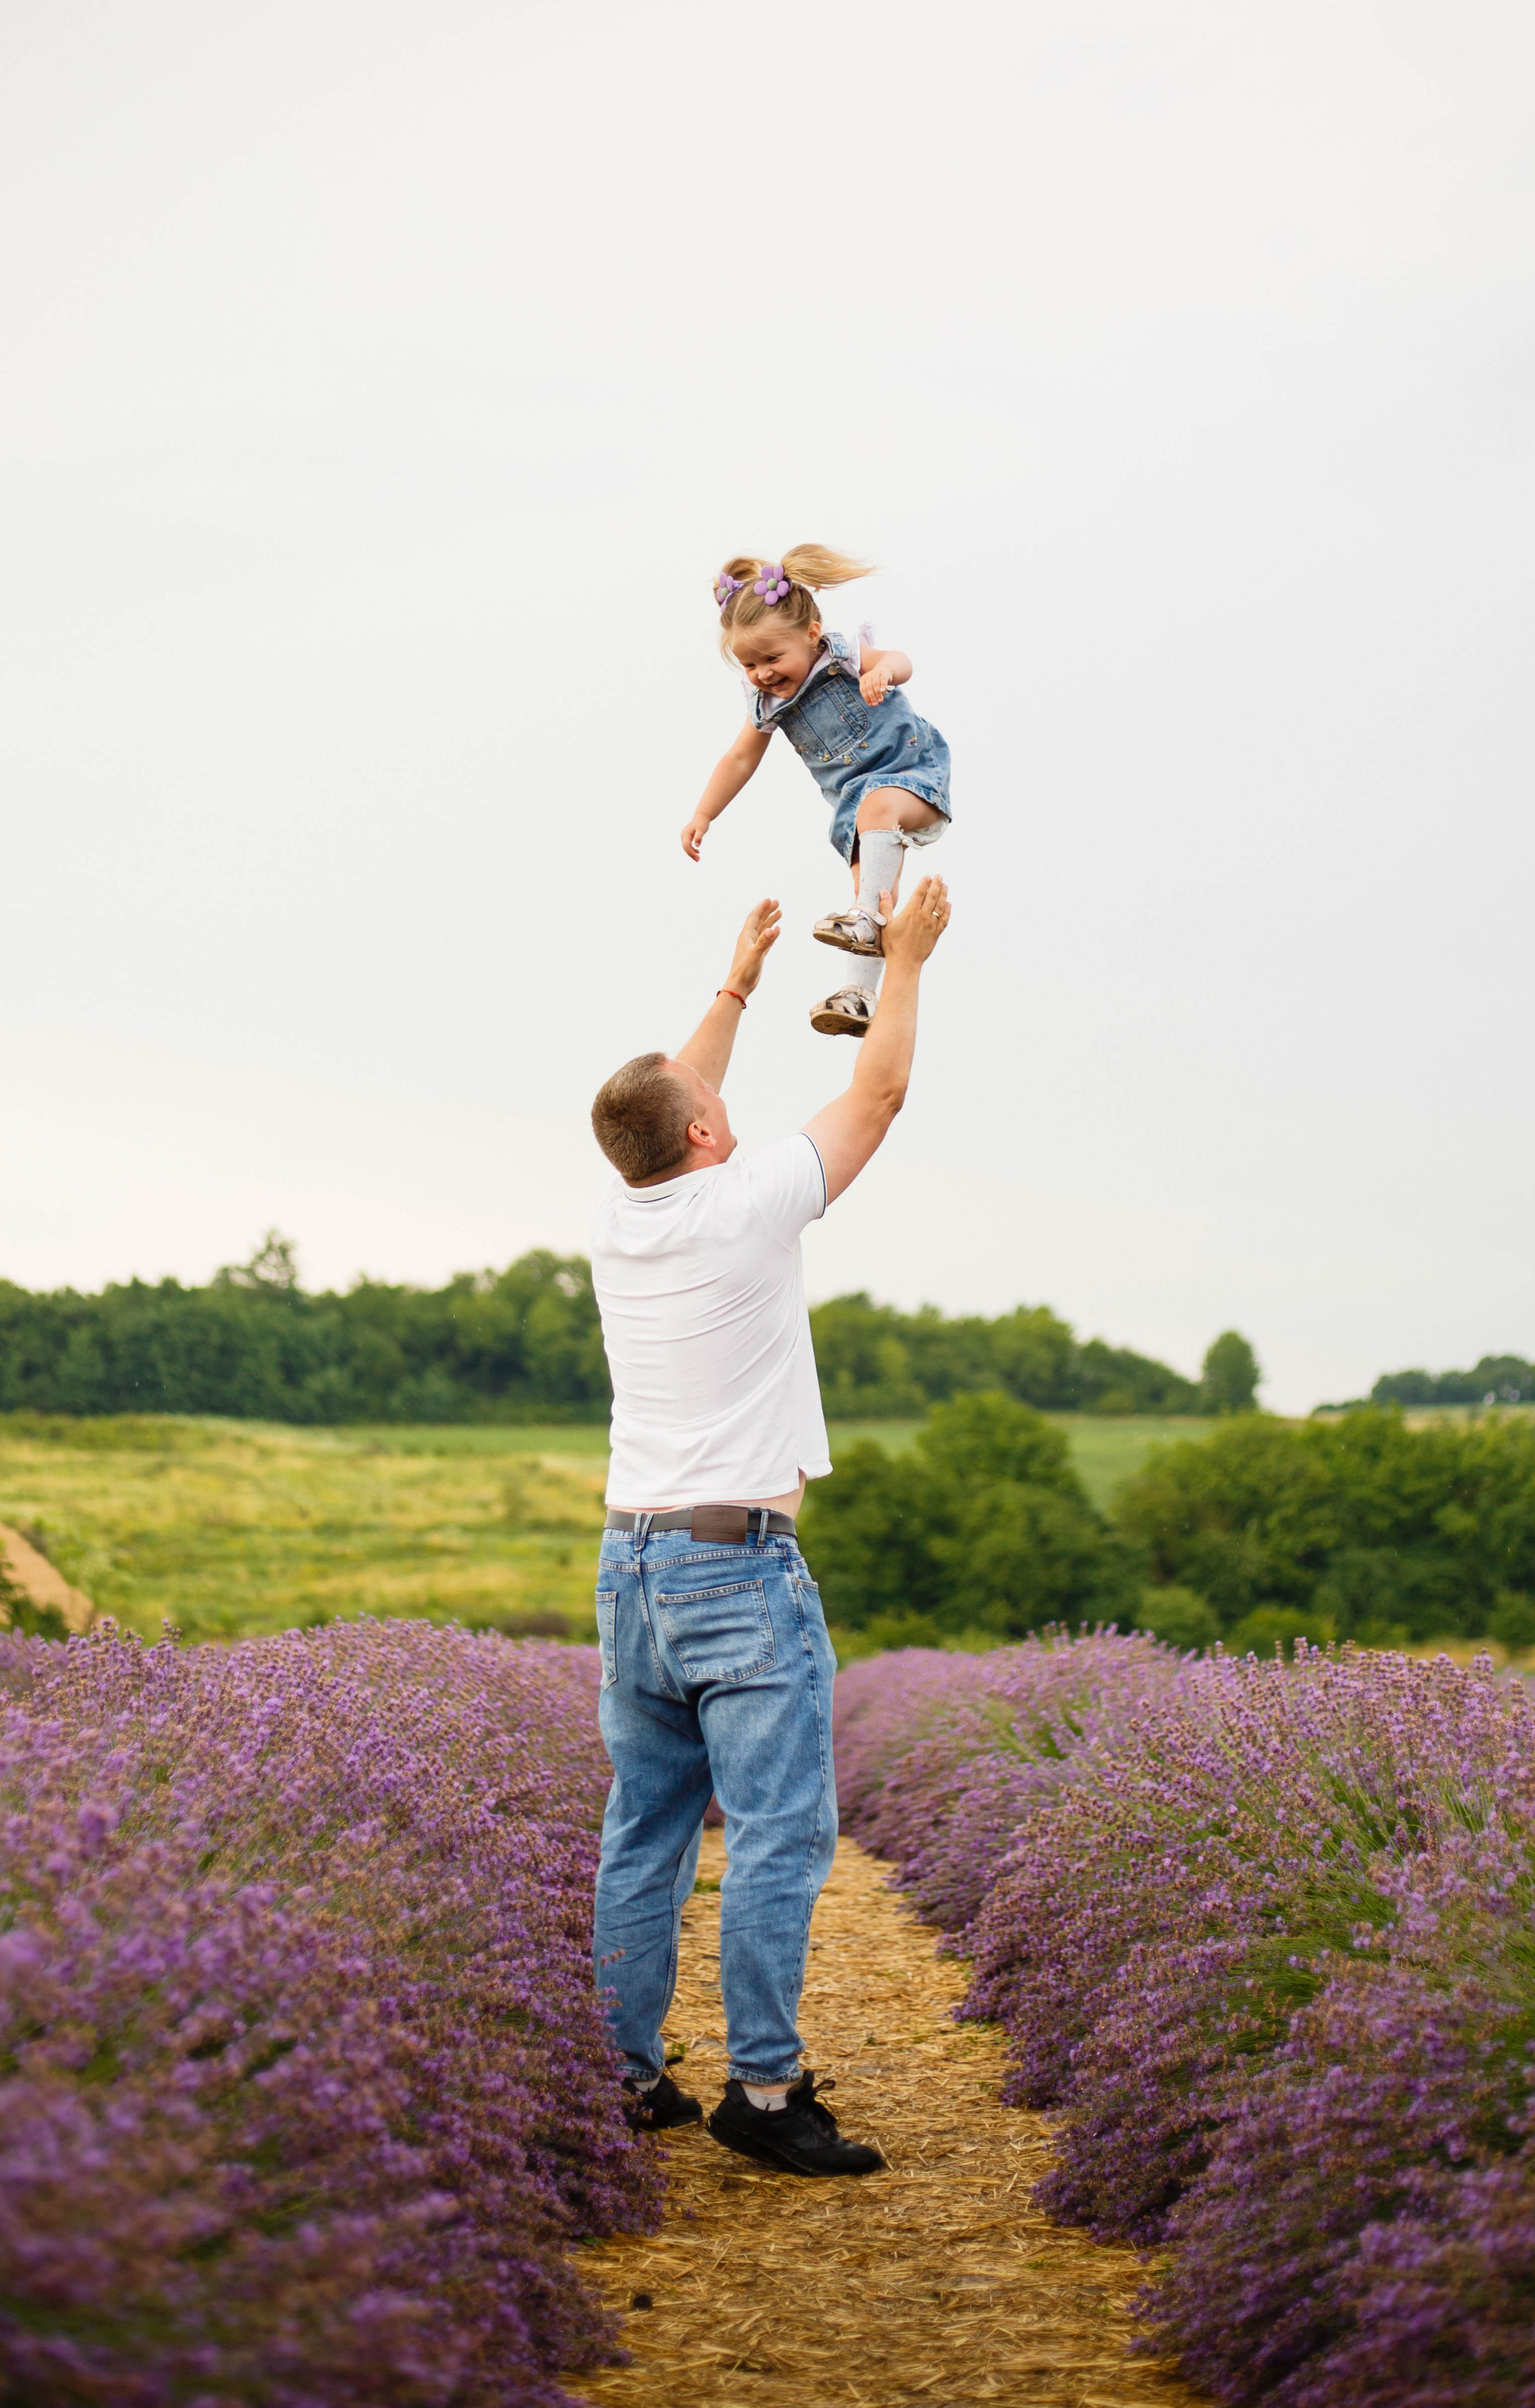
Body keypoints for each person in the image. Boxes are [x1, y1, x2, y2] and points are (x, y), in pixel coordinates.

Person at [586, 871, 952, 2177]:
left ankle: (621, 2079)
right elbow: (878, 1098)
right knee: (781, 1837)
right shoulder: (746, 1206)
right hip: (735, 1567)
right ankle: (763, 2090)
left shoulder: (620, 1214)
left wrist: (736, 982)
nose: (725, 1112)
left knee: (645, 1828)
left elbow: (658, 1097)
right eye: (716, 1113)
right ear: (701, 1142)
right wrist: (902, 960)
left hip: (627, 1565)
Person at [679, 545, 952, 1039]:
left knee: (878, 813)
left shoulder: (840, 656)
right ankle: (860, 996)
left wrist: (882, 672)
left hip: (911, 772)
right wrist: (705, 813)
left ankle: (868, 926)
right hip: (855, 810)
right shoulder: (767, 703)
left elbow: (900, 658)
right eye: (749, 664)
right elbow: (739, 758)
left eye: (772, 657)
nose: (762, 672)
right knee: (870, 899)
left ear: (810, 635)